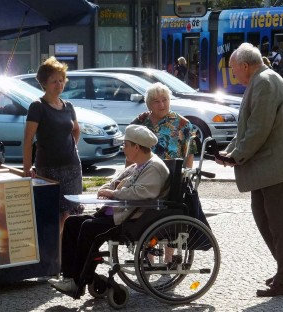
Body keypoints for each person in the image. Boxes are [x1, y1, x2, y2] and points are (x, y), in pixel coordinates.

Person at [220, 43, 283, 297]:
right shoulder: (260, 81)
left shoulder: (264, 82)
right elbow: (247, 129)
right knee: (266, 219)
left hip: (278, 170)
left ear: (245, 66)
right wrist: (230, 152)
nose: (232, 73)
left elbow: (258, 129)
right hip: (269, 170)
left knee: (280, 226)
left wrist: (237, 156)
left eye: (233, 68)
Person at [48, 124, 170, 294]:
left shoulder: (154, 167)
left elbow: (142, 192)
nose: (123, 147)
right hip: (113, 214)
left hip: (129, 220)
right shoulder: (137, 165)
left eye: (125, 144)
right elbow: (113, 182)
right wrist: (106, 190)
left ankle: (78, 280)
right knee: (71, 222)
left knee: (88, 228)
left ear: (136, 147)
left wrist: (114, 193)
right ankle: (70, 276)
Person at [23, 56, 83, 234]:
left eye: (61, 80)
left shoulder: (68, 106)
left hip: (72, 168)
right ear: (44, 83)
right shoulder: (37, 107)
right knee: (51, 215)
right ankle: (54, 254)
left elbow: (76, 130)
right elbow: (28, 140)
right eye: (54, 81)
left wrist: (72, 148)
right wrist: (27, 167)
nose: (59, 84)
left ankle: (64, 253)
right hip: (48, 169)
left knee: (68, 214)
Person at [130, 82, 197, 169]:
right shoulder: (140, 122)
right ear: (149, 104)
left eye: (164, 100)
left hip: (172, 176)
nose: (161, 105)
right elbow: (130, 154)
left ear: (169, 101)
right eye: (156, 101)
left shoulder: (183, 123)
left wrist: (185, 178)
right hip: (142, 177)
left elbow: (190, 154)